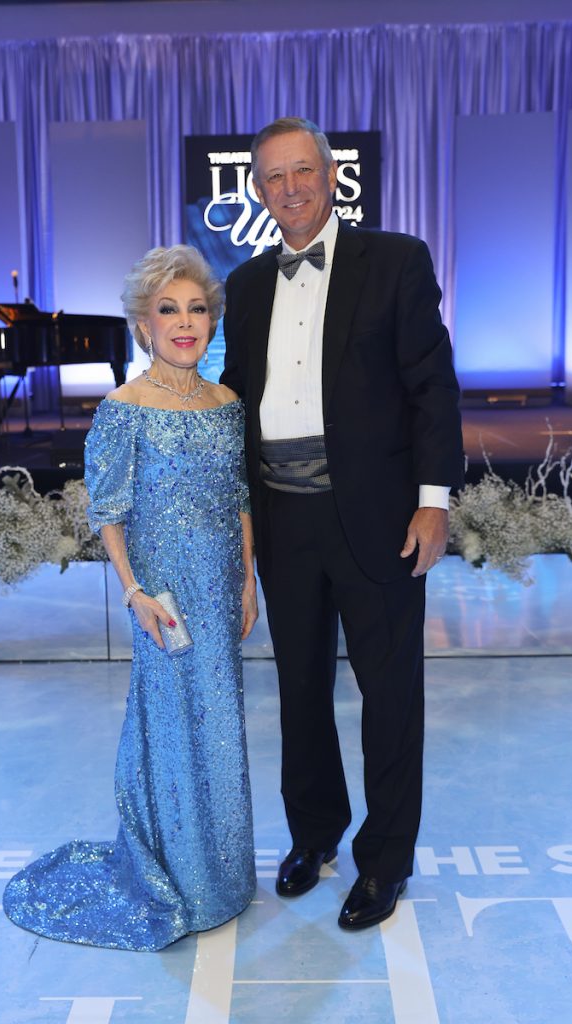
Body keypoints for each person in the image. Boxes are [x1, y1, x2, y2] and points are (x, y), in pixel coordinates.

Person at [221, 117, 463, 930]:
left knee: (389, 695)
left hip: (377, 519)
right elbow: (232, 401)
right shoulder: (247, 284)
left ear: (331, 178)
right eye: (272, 177)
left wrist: (434, 500)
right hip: (283, 523)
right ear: (258, 189)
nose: (288, 189)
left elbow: (432, 385)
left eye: (302, 172)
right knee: (298, 692)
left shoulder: (395, 260)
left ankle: (383, 863)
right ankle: (311, 836)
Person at [3, 245, 258, 951]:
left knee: (220, 724)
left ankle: (222, 874)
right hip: (162, 594)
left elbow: (239, 497)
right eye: (167, 310)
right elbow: (107, 509)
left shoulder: (227, 403)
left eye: (197, 309)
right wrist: (134, 591)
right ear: (144, 325)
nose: (184, 323)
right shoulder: (123, 407)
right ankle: (178, 874)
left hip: (218, 586)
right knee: (171, 725)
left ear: (212, 321)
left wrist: (246, 578)